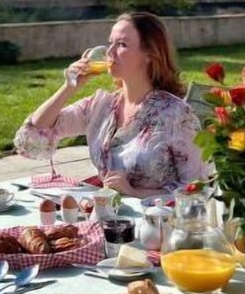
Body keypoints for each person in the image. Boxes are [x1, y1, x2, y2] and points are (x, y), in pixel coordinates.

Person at [14, 12, 206, 197]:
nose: (109, 52)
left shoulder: (175, 114)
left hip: (155, 223)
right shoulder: (101, 106)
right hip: (104, 219)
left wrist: (135, 192)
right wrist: (69, 86)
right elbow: (33, 137)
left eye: (121, 44)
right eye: (109, 43)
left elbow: (198, 188)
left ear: (150, 54)